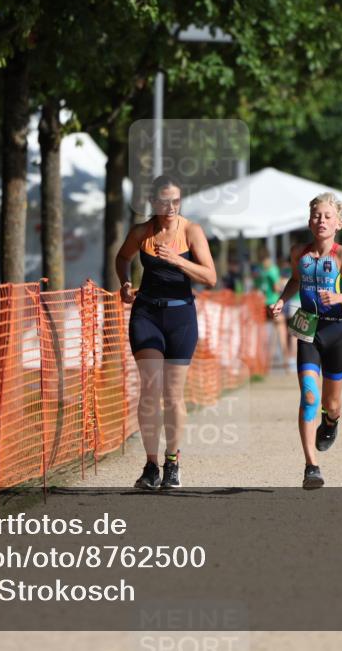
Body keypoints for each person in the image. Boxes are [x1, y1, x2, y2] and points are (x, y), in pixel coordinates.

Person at [116, 175, 217, 489]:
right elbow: (122, 258)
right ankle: (150, 465)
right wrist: (125, 283)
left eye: (176, 200)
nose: (170, 207)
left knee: (172, 395)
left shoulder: (191, 231)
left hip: (180, 316)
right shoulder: (141, 232)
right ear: (153, 202)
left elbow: (210, 277)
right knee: (149, 391)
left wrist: (177, 261)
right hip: (146, 313)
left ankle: (172, 460)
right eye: (164, 201)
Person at [269, 193, 342, 489]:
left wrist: (339, 297)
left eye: (327, 216)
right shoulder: (299, 252)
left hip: (335, 330)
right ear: (309, 220)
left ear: (339, 222)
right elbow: (295, 280)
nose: (320, 220)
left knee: (331, 402)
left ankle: (332, 421)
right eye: (315, 215)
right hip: (307, 328)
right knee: (309, 395)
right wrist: (281, 300)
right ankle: (311, 466)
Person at [255, 250, 289, 370]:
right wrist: (283, 283)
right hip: (274, 303)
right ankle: (285, 361)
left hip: (265, 304)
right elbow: (276, 288)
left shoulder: (261, 270)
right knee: (281, 332)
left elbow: (259, 287)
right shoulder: (273, 270)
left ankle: (268, 363)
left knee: (272, 335)